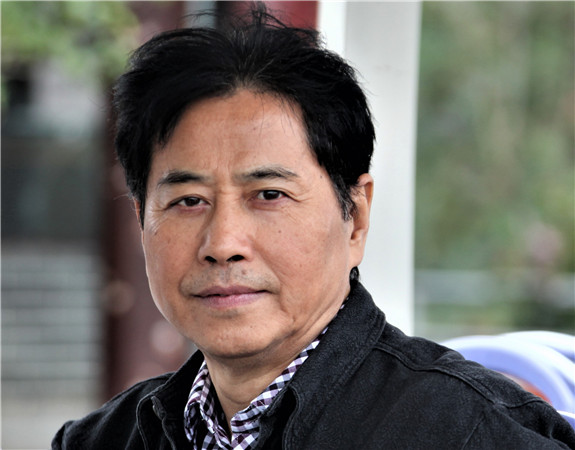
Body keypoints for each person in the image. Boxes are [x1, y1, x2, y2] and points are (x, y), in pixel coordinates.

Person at [53, 6, 575, 450]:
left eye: (269, 195)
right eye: (189, 201)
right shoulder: (99, 440)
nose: (223, 244)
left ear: (356, 218)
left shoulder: (470, 433)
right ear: (142, 220)